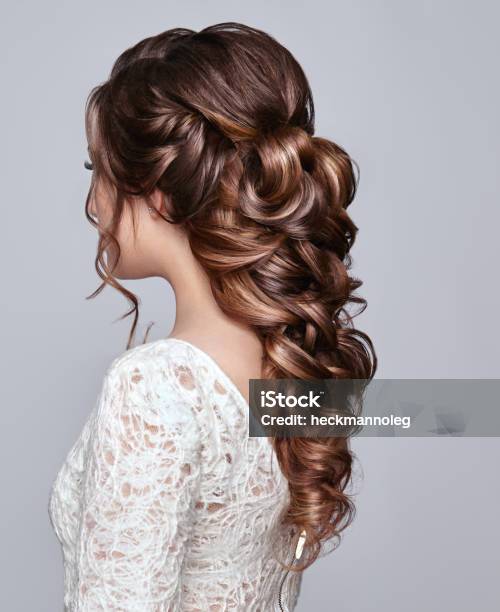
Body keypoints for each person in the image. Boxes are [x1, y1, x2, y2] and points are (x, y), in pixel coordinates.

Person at [49, 22, 376, 611]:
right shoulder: (289, 371)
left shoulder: (153, 386)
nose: (93, 204)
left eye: (95, 170)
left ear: (161, 194)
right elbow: (452, 411)